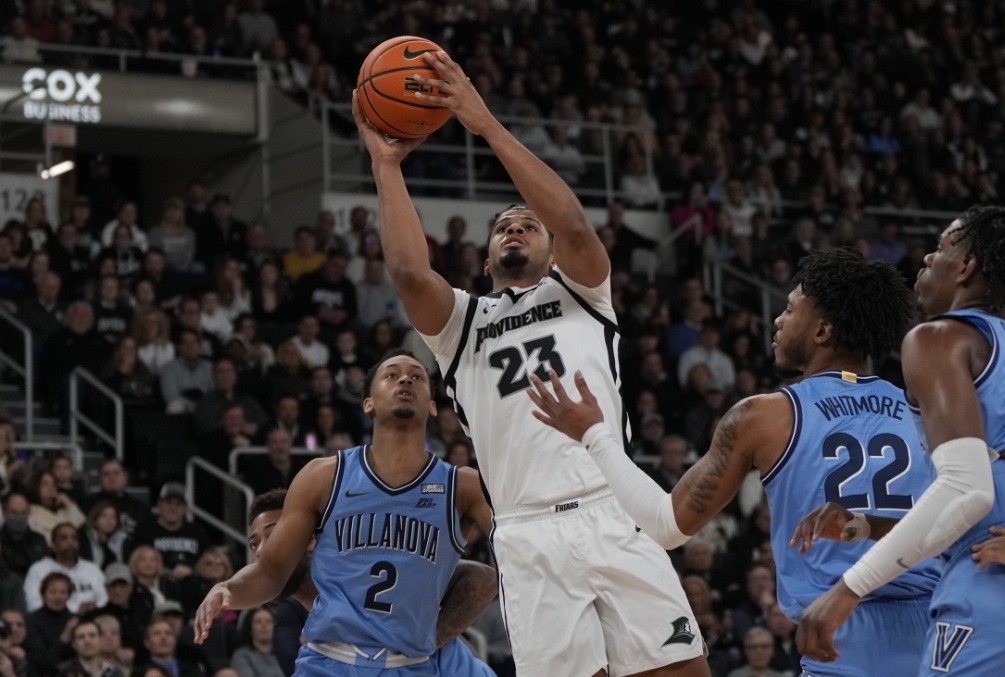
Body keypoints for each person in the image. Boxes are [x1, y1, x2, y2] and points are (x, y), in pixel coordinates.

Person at [354, 51, 709, 677]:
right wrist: (386, 165)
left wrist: (484, 125)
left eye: (527, 225)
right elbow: (410, 271)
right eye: (503, 229)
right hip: (527, 530)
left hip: (610, 505)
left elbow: (571, 219)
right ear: (487, 261)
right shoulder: (463, 326)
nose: (515, 229)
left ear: (551, 255)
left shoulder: (583, 294)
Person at [527, 249, 941, 676]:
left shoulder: (765, 416)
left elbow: (665, 525)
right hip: (940, 632)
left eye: (790, 309)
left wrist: (595, 435)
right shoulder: (925, 408)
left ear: (822, 331)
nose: (778, 320)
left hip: (841, 634)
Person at [794, 206, 1005, 674]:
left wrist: (849, 587)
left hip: (986, 589)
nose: (927, 257)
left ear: (968, 266)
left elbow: (967, 491)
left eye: (943, 247)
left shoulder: (938, 338)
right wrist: (870, 526)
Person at [193, 351, 496, 674]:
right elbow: (270, 573)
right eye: (391, 375)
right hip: (328, 662)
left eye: (417, 376)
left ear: (433, 406)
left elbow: (512, 555)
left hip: (411, 665)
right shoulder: (323, 477)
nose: (406, 379)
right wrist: (229, 589)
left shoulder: (462, 486)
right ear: (369, 403)